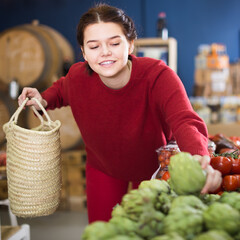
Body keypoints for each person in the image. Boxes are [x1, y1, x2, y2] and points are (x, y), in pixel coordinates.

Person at [18, 3, 221, 223]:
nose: (105, 52)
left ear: (130, 44)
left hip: (154, 169)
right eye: (94, 47)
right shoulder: (78, 76)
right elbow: (61, 89)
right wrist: (42, 99)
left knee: (149, 230)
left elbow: (185, 120)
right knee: (102, 231)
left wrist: (200, 158)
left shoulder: (158, 75)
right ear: (84, 53)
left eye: (114, 43)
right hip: (102, 167)